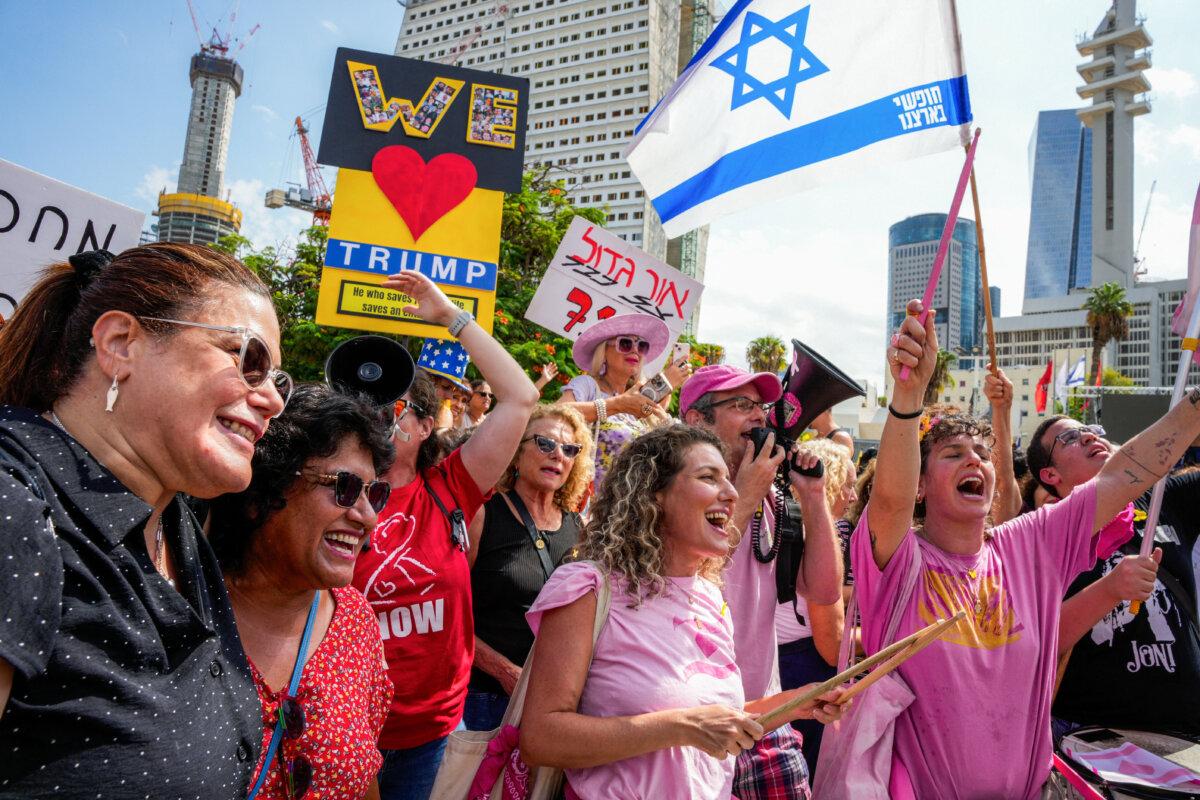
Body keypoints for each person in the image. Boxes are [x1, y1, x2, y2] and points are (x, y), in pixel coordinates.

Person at [845, 298, 1200, 799]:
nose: (976, 462)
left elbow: (1124, 471)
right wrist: (908, 395)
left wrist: (1195, 407)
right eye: (953, 454)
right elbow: (890, 498)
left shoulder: (1031, 542)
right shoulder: (900, 564)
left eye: (983, 455)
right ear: (921, 485)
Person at [0, 244, 289, 798]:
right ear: (119, 344)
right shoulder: (15, 510)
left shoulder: (173, 520)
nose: (273, 399)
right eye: (246, 357)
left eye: (280, 379)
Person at [519, 425, 845, 799]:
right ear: (654, 496)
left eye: (728, 479)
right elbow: (541, 738)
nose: (732, 492)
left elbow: (715, 718)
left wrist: (798, 701)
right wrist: (681, 726)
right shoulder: (588, 589)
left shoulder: (710, 596)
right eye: (708, 477)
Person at [351, 270, 540, 800]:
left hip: (429, 732)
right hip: (345, 722)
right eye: (362, 407)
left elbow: (521, 398)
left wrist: (450, 317)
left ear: (427, 425)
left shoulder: (452, 486)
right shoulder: (325, 490)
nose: (375, 421)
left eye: (391, 409)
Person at [208, 384, 395, 800]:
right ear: (263, 494)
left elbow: (362, 778)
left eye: (375, 494)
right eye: (344, 487)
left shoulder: (355, 621)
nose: (366, 516)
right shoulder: (184, 610)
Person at [680, 364, 843, 800]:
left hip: (767, 719)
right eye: (741, 405)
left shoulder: (772, 497)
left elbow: (824, 592)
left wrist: (812, 497)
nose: (759, 417)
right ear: (696, 420)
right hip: (691, 727)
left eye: (761, 406)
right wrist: (745, 492)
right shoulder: (672, 493)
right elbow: (691, 578)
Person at [1027, 415, 1200, 736]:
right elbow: (1032, 640)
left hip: (1187, 738)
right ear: (1050, 475)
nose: (1089, 437)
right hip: (1092, 745)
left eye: (1092, 430)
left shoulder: (1164, 498)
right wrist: (1110, 589)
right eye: (1070, 438)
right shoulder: (1038, 536)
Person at [464, 405, 593, 731]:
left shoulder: (579, 528)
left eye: (569, 449)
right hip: (485, 699)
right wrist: (504, 671)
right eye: (545, 444)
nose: (558, 455)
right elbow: (449, 615)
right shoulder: (484, 514)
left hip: (554, 704)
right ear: (516, 452)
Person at [773, 437, 856, 778]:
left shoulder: (780, 525)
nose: (852, 496)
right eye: (848, 485)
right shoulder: (814, 536)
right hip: (805, 670)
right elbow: (831, 643)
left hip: (774, 668)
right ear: (830, 479)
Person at [559, 314, 689, 488]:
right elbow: (555, 414)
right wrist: (617, 405)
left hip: (628, 508)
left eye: (641, 346)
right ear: (604, 352)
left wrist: (663, 422)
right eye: (625, 343)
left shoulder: (641, 398)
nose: (635, 350)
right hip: (588, 505)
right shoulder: (588, 385)